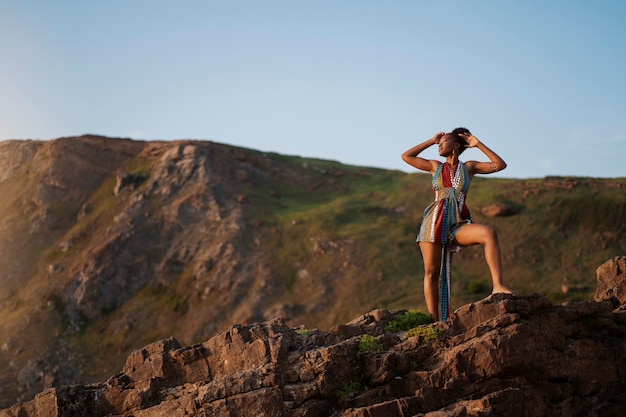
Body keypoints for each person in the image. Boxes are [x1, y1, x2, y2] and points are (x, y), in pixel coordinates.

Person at [401, 128, 515, 322]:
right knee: (431, 272)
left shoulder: (469, 168)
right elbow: (406, 156)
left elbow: (500, 165)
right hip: (433, 223)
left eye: (443, 141)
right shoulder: (434, 166)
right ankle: (435, 321)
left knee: (489, 233)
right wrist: (431, 140)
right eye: (439, 142)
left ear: (455, 146)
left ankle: (498, 286)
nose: (439, 144)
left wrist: (476, 143)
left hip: (458, 223)